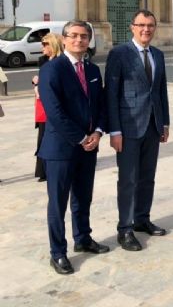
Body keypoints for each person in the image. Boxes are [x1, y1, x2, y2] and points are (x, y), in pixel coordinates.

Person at [38, 20, 109, 275]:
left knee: (83, 197)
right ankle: (58, 253)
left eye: (84, 36)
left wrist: (98, 132)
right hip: (61, 148)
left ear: (89, 40)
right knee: (58, 204)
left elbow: (100, 105)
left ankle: (83, 238)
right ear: (64, 39)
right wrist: (81, 138)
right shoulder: (52, 69)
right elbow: (54, 112)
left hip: (88, 147)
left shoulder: (92, 69)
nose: (79, 40)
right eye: (74, 35)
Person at [105, 9, 170, 252]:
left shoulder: (158, 55)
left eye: (150, 25)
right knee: (128, 180)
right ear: (132, 27)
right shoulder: (119, 54)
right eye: (141, 25)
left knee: (147, 177)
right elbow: (111, 94)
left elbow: (160, 91)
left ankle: (142, 218)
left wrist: (164, 123)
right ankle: (125, 228)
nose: (146, 29)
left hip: (152, 126)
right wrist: (114, 131)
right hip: (128, 128)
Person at [32, 33, 64, 181]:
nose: (42, 47)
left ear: (53, 44)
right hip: (43, 105)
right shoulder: (43, 61)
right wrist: (36, 82)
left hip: (56, 105)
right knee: (42, 137)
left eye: (45, 44)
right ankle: (42, 171)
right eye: (42, 44)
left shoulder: (62, 62)